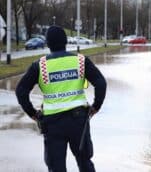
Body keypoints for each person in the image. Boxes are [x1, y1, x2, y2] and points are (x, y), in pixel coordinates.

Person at [15, 26, 107, 172]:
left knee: (56, 167)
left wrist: (33, 113)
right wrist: (96, 106)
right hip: (79, 121)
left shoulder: (40, 65)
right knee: (85, 162)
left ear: (48, 44)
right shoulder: (81, 61)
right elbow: (100, 83)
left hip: (52, 124)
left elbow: (21, 90)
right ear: (65, 42)